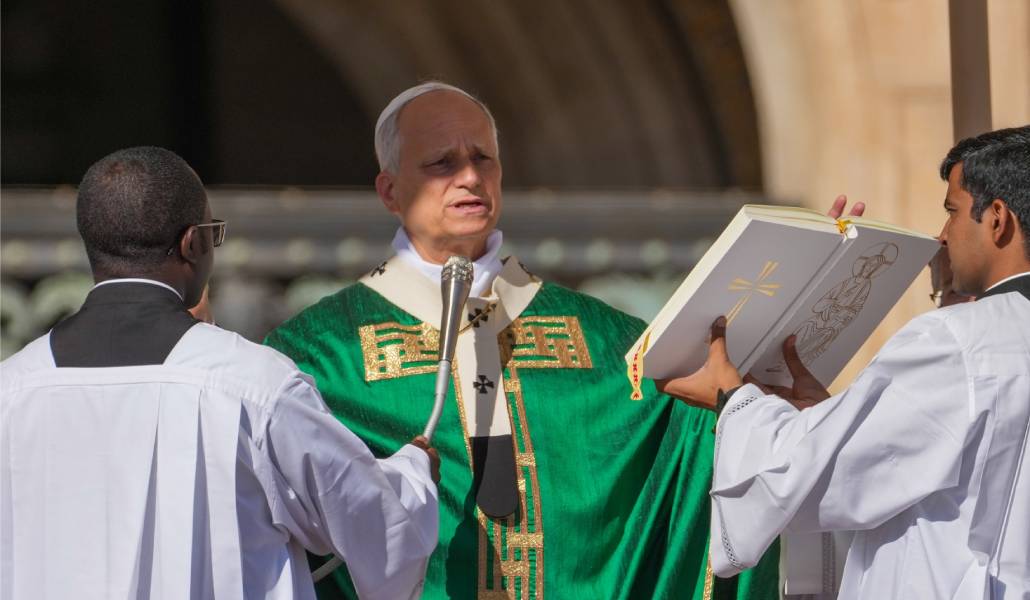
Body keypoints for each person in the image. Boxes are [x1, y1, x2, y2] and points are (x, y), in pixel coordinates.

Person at [265, 81, 862, 599]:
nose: (470, 176)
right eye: (442, 163)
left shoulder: (605, 341)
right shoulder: (321, 355)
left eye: (483, 158)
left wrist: (805, 293)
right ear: (390, 191)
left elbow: (703, 432)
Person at [0, 147, 440, 600]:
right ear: (194, 243)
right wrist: (414, 470)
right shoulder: (252, 386)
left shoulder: (10, 390)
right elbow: (379, 530)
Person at [660, 125, 1030, 599]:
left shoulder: (960, 342)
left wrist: (734, 398)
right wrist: (829, 417)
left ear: (997, 218)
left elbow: (805, 477)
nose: (942, 235)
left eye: (952, 212)